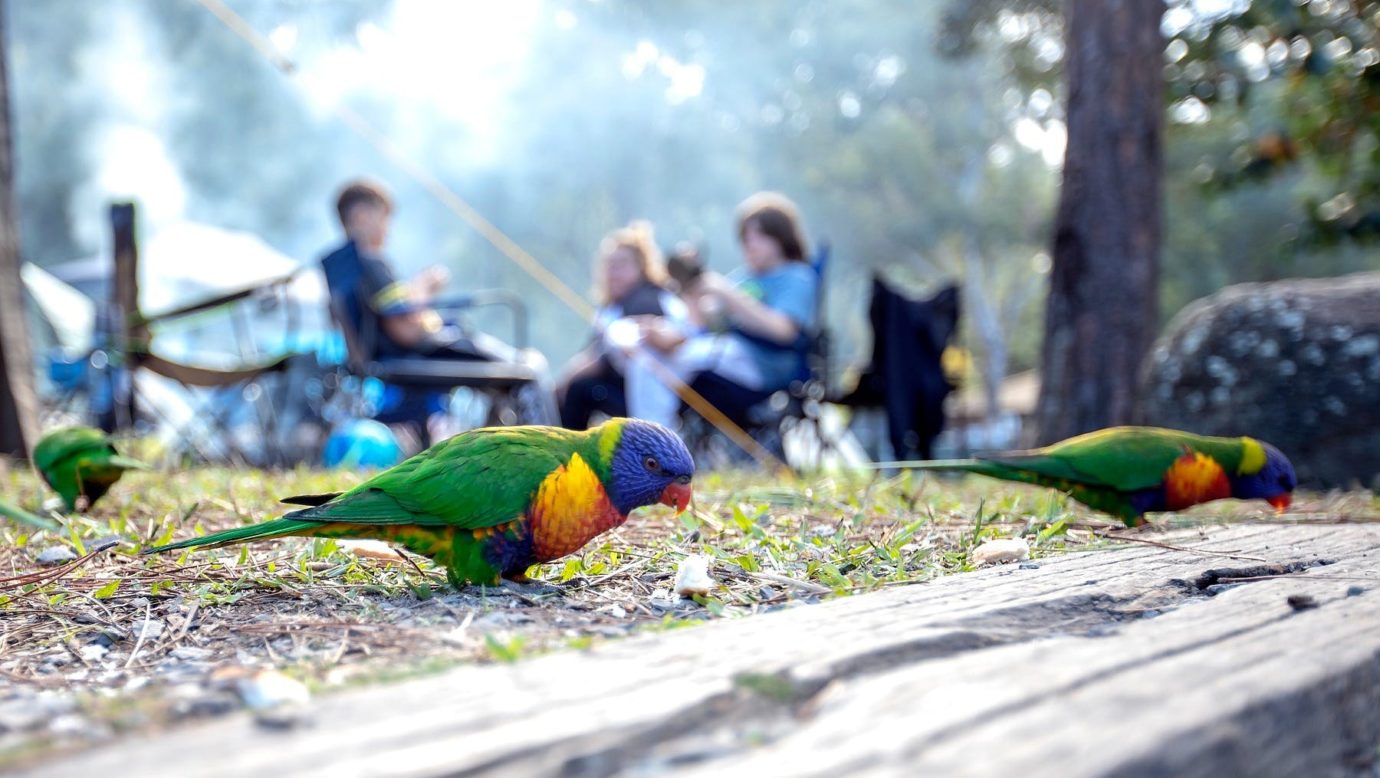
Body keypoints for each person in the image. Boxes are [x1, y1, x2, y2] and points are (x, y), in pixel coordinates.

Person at [319, 178, 553, 432]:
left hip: (388, 357)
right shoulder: (372, 263)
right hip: (418, 354)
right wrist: (425, 287)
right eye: (384, 217)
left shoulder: (339, 265)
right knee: (529, 367)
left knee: (514, 370)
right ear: (362, 215)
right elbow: (405, 330)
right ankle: (553, 451)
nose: (388, 229)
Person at [674, 192, 817, 429]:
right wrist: (691, 286)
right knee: (667, 361)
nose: (749, 244)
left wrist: (729, 295)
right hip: (725, 357)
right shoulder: (742, 278)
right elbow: (704, 323)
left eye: (759, 235)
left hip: (767, 365)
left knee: (680, 362)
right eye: (745, 237)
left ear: (781, 237)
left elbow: (784, 331)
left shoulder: (796, 276)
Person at [556, 221, 690, 429]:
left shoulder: (646, 299)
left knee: (579, 388)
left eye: (621, 265)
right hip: (628, 391)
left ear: (642, 267)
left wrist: (564, 381)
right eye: (609, 265)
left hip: (650, 401)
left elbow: (605, 355)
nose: (613, 272)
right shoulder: (611, 308)